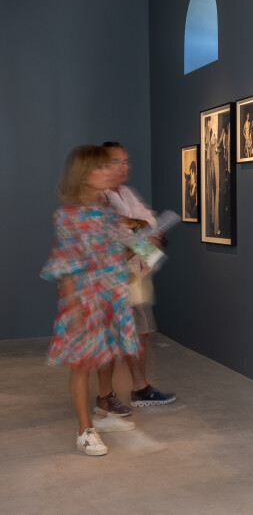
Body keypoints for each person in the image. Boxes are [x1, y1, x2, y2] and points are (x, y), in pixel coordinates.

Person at [41, 145, 140, 456]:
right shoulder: (68, 216)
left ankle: (103, 411)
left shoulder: (108, 214)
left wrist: (144, 245)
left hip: (111, 297)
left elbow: (118, 253)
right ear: (83, 175)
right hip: (85, 302)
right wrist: (74, 308)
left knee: (107, 356)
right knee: (82, 364)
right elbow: (66, 265)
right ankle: (84, 431)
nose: (110, 171)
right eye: (101, 167)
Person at [94, 142, 176, 419]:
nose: (123, 167)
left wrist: (148, 237)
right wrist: (143, 235)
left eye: (126, 161)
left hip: (135, 274)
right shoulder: (100, 198)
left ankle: (140, 389)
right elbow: (115, 243)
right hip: (113, 278)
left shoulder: (127, 193)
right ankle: (105, 397)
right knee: (111, 339)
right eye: (116, 161)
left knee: (139, 333)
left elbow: (146, 224)